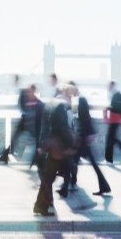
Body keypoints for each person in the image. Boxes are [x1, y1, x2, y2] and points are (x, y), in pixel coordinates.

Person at [33, 88, 75, 216]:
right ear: (65, 94)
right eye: (70, 96)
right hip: (57, 148)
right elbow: (62, 127)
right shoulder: (60, 107)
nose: (71, 99)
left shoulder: (50, 104)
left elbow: (43, 126)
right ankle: (41, 205)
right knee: (49, 177)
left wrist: (42, 145)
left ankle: (40, 205)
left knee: (48, 178)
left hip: (49, 146)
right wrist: (70, 143)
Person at [71, 84, 111, 196]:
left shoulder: (81, 100)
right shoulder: (80, 100)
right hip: (83, 137)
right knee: (80, 161)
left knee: (76, 161)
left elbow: (85, 118)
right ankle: (72, 183)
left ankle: (71, 184)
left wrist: (86, 134)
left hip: (83, 138)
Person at [0, 78, 44, 168]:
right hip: (24, 120)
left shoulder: (36, 100)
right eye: (30, 90)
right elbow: (21, 105)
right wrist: (26, 113)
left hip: (32, 122)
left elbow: (40, 108)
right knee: (15, 138)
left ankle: (36, 160)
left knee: (35, 140)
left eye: (32, 91)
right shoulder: (24, 95)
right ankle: (5, 155)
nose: (30, 92)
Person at [104, 81, 121, 164]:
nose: (108, 87)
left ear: (112, 86)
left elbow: (115, 107)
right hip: (116, 119)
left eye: (109, 86)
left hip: (114, 119)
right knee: (112, 138)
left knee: (110, 138)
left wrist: (109, 108)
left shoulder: (115, 95)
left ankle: (109, 159)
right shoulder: (117, 94)